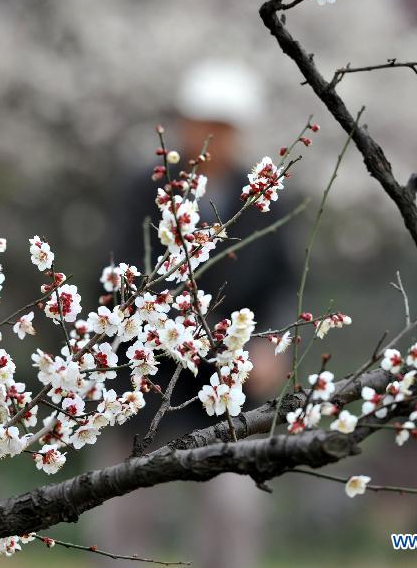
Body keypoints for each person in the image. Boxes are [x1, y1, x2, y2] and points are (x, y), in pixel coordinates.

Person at [90, 60, 297, 567]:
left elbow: (280, 283)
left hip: (227, 380)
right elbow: (117, 272)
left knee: (232, 508)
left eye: (224, 127)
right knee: (126, 506)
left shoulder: (263, 198)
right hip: (144, 372)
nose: (212, 138)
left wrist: (272, 344)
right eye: (204, 124)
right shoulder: (146, 189)